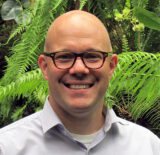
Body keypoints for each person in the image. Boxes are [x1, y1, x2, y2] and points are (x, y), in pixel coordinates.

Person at [0, 10, 159, 155]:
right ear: (45, 67)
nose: (79, 69)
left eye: (92, 56)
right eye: (64, 56)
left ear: (111, 66)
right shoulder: (8, 147)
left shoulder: (148, 147)